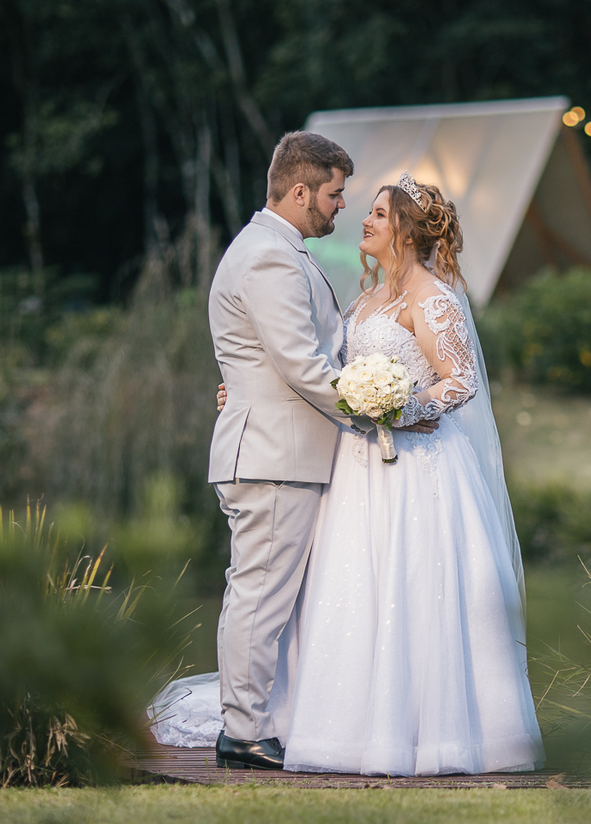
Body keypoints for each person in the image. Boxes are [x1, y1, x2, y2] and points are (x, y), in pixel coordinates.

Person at [152, 171, 542, 777]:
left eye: (379, 214)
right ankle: (344, 725)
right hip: (354, 468)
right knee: (350, 592)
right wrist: (247, 388)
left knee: (412, 589)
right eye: (362, 207)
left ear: (406, 231)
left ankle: (421, 732)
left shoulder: (434, 299)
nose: (363, 217)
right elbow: (316, 367)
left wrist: (400, 408)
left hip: (417, 469)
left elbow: (460, 380)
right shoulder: (363, 301)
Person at [202, 132, 435, 771]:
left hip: (280, 450)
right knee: (259, 595)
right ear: (301, 191)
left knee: (269, 596)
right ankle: (243, 731)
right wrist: (379, 410)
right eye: (334, 194)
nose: (341, 207)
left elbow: (275, 358)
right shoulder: (268, 258)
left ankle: (264, 719)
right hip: (274, 456)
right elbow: (302, 365)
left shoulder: (275, 250)